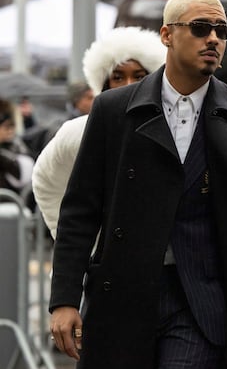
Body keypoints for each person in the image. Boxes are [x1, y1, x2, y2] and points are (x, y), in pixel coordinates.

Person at [48, 0, 227, 369]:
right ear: (166, 35)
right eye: (199, 28)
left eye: (221, 30)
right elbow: (80, 210)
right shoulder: (113, 111)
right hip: (122, 296)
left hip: (201, 304)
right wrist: (64, 299)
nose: (213, 38)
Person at [32, 26, 167, 240]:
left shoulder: (173, 129)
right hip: (98, 264)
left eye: (139, 76)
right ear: (104, 84)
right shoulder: (77, 131)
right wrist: (72, 236)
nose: (129, 86)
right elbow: (45, 180)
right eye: (118, 77)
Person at [0, 97, 34, 197]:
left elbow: (22, 172)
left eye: (12, 125)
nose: (10, 130)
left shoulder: (17, 145)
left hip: (14, 204)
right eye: (6, 126)